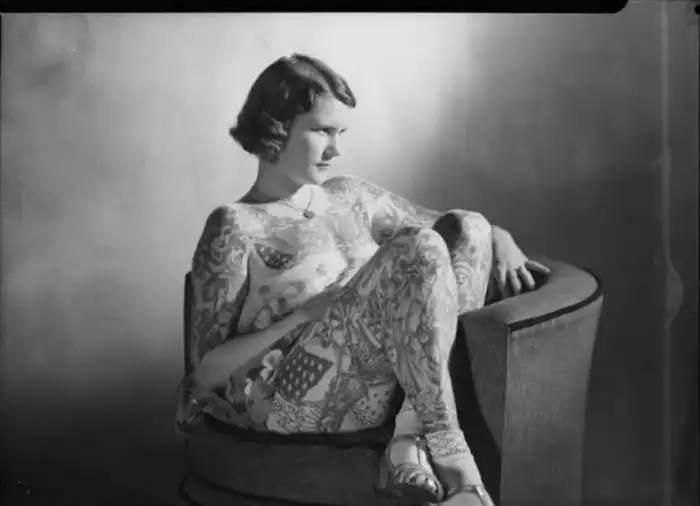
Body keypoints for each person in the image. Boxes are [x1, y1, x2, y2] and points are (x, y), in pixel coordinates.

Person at [175, 53, 550, 506]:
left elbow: (453, 230)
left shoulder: (352, 196)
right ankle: (453, 461)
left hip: (372, 382)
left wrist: (499, 235)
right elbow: (204, 374)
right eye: (321, 132)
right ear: (275, 130)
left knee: (469, 227)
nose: (336, 150)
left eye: (341, 133)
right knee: (416, 246)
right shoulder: (235, 226)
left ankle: (409, 436)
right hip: (283, 398)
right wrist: (299, 319)